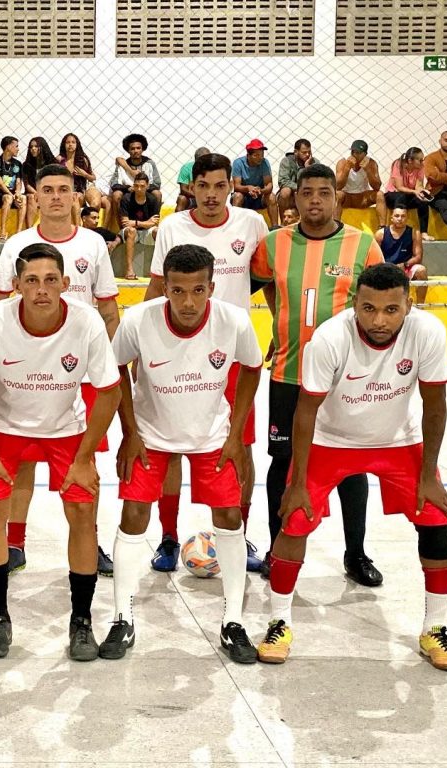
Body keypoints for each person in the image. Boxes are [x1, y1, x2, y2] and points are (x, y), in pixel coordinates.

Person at [257, 263, 447, 671]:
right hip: (330, 440)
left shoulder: (428, 332)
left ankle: (434, 628)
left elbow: (435, 406)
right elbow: (305, 411)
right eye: (368, 309)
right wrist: (298, 480)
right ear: (354, 304)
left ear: (409, 305)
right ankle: (279, 621)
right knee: (294, 520)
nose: (379, 320)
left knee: (436, 521)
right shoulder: (329, 338)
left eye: (391, 310)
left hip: (398, 440)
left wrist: (429, 475)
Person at [101, 244, 262, 663]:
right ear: (165, 288)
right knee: (133, 514)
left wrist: (235, 436)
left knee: (229, 517)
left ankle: (233, 621)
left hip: (212, 437)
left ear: (212, 287)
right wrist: (130, 432)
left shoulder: (233, 321)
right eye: (177, 291)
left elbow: (252, 368)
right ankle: (122, 617)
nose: (188, 302)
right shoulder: (138, 320)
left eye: (197, 290)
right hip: (151, 436)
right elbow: (114, 369)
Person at [0, 243, 122, 661]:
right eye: (31, 281)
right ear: (16, 285)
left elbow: (109, 392)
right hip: (5, 428)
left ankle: (82, 621)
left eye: (51, 280)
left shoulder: (86, 321)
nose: (41, 289)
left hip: (65, 430)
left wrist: (85, 458)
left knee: (83, 513)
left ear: (66, 283)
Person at [251, 163, 385, 585]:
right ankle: (277, 550)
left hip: (346, 381)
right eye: (306, 192)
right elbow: (256, 285)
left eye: (323, 193)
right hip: (288, 373)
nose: (314, 200)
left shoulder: (363, 246)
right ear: (295, 197)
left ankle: (356, 553)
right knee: (283, 463)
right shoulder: (273, 244)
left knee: (350, 466)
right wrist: (278, 321)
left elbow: (381, 306)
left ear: (336, 197)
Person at [0, 164, 120, 578]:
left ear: (76, 196)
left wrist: (109, 364)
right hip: (27, 371)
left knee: (85, 464)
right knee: (22, 463)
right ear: (37, 197)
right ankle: (14, 542)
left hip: (81, 373)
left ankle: (90, 540)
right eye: (48, 190)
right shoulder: (18, 244)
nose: (57, 197)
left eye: (64, 189)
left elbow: (108, 310)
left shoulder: (93, 243)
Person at [142, 152, 269, 573]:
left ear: (231, 186)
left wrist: (281, 328)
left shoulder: (252, 224)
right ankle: (168, 537)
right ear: (191, 188)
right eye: (203, 186)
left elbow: (268, 283)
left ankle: (239, 535)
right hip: (175, 356)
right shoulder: (172, 227)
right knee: (170, 448)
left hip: (230, 359)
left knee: (240, 445)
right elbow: (157, 289)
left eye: (220, 186)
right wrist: (142, 344)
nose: (212, 195)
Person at [107, 133, 161, 230]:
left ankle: (153, 226)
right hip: (128, 194)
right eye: (132, 149)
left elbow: (157, 183)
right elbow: (114, 184)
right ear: (128, 150)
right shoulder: (123, 165)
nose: (136, 151)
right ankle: (122, 229)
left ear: (142, 149)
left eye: (138, 148)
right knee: (116, 195)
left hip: (145, 192)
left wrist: (142, 188)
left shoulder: (149, 163)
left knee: (157, 194)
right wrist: (128, 188)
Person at [377, 206, 428, 303]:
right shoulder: (380, 234)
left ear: (407, 218)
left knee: (421, 270)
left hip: (405, 267)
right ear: (391, 218)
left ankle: (421, 306)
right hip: (386, 268)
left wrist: (405, 265)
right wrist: (386, 267)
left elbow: (418, 257)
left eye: (403, 216)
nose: (400, 219)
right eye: (397, 216)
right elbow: (375, 256)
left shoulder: (414, 233)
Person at [384, 147, 432, 241]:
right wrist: (415, 192)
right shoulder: (398, 164)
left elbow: (419, 185)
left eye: (423, 159)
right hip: (393, 195)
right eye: (420, 160)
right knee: (401, 197)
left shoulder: (421, 167)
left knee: (423, 201)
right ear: (410, 160)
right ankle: (396, 230)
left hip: (409, 194)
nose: (422, 162)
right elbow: (399, 187)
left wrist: (422, 192)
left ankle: (424, 232)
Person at [119, 171, 161, 280]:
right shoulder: (126, 198)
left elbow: (155, 222)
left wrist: (136, 223)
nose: (138, 189)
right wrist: (147, 223)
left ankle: (158, 270)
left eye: (142, 186)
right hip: (130, 232)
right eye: (136, 186)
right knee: (131, 231)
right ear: (133, 185)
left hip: (146, 232)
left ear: (147, 186)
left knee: (158, 232)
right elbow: (125, 223)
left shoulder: (152, 199)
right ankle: (129, 270)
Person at [335, 140, 386, 225]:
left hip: (363, 198)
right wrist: (347, 168)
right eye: (353, 152)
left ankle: (383, 227)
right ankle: (336, 225)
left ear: (365, 154)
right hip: (347, 197)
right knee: (337, 195)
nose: (354, 155)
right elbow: (338, 186)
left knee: (380, 194)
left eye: (358, 153)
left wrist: (368, 170)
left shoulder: (371, 163)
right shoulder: (343, 162)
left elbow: (377, 187)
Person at [0, 136, 26, 241]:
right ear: (8, 147)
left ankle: (18, 233)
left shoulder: (17, 164)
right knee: (8, 198)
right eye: (16, 146)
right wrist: (12, 196)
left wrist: (18, 192)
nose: (18, 149)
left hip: (11, 195)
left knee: (23, 198)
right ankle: (3, 232)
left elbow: (18, 181)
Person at [232, 139, 278, 226]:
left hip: (259, 196)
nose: (260, 158)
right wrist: (248, 188)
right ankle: (235, 226)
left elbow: (269, 184)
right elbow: (236, 186)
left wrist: (260, 191)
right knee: (237, 196)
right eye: (256, 155)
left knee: (271, 197)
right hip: (244, 196)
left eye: (262, 155)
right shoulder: (238, 163)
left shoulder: (264, 162)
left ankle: (275, 227)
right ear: (248, 155)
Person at [58, 133, 99, 224]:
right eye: (68, 142)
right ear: (64, 144)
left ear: (77, 145)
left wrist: (84, 174)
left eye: (73, 142)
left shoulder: (82, 159)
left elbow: (93, 178)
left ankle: (78, 226)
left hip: (79, 193)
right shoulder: (59, 160)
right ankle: (77, 226)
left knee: (75, 197)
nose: (70, 144)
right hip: (63, 192)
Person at [276, 139, 319, 220]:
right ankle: (284, 223)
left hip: (307, 194)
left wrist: (308, 170)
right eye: (304, 152)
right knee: (285, 191)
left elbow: (318, 181)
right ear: (296, 152)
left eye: (309, 152)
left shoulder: (314, 162)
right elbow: (283, 181)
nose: (307, 155)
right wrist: (299, 188)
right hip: (291, 195)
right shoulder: (286, 161)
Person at [21, 137, 56, 229]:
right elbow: (27, 185)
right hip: (34, 193)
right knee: (31, 197)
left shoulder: (52, 164)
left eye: (36, 146)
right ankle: (29, 229)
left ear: (42, 147)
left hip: (49, 192)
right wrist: (37, 193)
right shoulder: (26, 165)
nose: (33, 149)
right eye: (31, 147)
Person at [176, 147, 210, 212]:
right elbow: (183, 189)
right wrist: (197, 195)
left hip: (208, 197)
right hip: (192, 197)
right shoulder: (187, 168)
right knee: (181, 199)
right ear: (196, 160)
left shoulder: (213, 169)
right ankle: (177, 218)